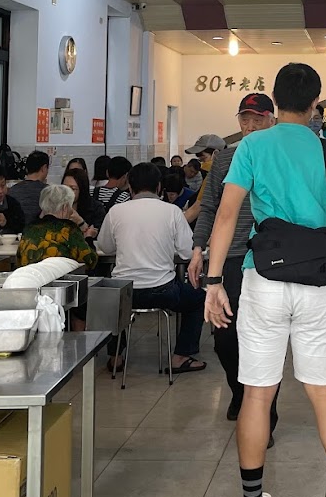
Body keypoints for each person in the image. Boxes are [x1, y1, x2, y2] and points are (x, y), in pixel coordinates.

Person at [204, 64, 326, 497]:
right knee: (325, 392)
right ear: (316, 103)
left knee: (257, 394)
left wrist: (214, 281)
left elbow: (226, 215)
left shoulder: (252, 146)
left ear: (274, 100)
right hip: (319, 284)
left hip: (264, 279)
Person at [187, 92, 281, 428]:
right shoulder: (225, 159)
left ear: (272, 120)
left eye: (258, 119)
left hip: (269, 258)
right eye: (245, 119)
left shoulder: (279, 156)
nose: (251, 126)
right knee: (225, 337)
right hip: (230, 258)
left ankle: (265, 412)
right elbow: (209, 207)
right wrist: (198, 248)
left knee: (266, 337)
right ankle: (240, 391)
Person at [99, 161, 207, 373]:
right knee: (198, 299)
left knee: (112, 300)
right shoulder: (172, 211)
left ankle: (116, 356)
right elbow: (187, 252)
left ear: (130, 187)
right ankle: (181, 356)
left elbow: (105, 247)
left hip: (125, 293)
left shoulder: (116, 212)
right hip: (163, 291)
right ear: (159, 187)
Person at [17, 183, 98, 270]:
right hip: (57, 277)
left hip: (31, 276)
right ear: (65, 207)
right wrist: (89, 237)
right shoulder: (68, 229)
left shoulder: (29, 229)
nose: (72, 211)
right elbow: (91, 260)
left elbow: (19, 259)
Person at [8, 150, 50, 224]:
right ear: (44, 168)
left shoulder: (13, 190)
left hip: (15, 229)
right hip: (39, 229)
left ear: (27, 169)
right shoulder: (48, 191)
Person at [62, 166, 101, 235]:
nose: (67, 192)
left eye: (73, 189)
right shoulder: (56, 206)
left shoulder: (96, 208)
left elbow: (98, 234)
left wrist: (80, 222)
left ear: (82, 189)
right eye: (64, 187)